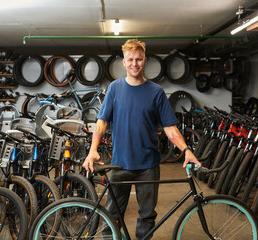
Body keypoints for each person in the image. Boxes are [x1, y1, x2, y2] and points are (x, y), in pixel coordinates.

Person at [83, 39, 200, 240]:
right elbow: (102, 122)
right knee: (112, 216)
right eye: (130, 59)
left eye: (138, 59)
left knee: (147, 216)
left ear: (145, 61)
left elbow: (170, 128)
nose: (134, 64)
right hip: (120, 164)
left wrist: (186, 149)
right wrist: (93, 149)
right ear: (124, 62)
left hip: (148, 165)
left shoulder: (156, 92)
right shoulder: (114, 89)